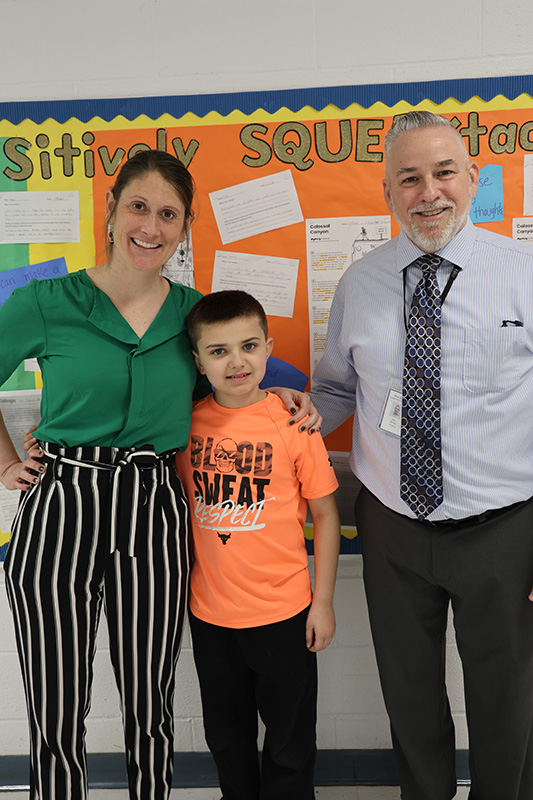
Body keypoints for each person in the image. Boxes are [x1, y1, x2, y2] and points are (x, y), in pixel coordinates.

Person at [0, 149, 318, 800]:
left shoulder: (193, 316)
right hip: (62, 499)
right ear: (111, 208)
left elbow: (240, 379)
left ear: (185, 227)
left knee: (151, 702)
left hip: (153, 505)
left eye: (168, 215)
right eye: (138, 207)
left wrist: (285, 396)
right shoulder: (47, 302)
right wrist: (7, 461)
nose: (151, 227)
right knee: (56, 705)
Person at [310, 110, 533, 800]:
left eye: (443, 172)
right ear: (387, 192)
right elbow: (335, 390)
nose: (428, 192)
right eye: (408, 178)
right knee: (408, 699)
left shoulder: (522, 272)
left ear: (473, 178)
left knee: (507, 701)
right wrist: (273, 423)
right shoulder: (361, 282)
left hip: (504, 527)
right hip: (393, 526)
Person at [176, 290, 340, 800]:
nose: (237, 362)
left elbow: (325, 514)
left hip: (285, 614)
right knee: (228, 741)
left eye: (249, 346)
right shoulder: (184, 425)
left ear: (268, 349)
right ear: (198, 361)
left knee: (290, 744)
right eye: (218, 351)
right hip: (211, 617)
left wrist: (323, 602)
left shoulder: (294, 423)